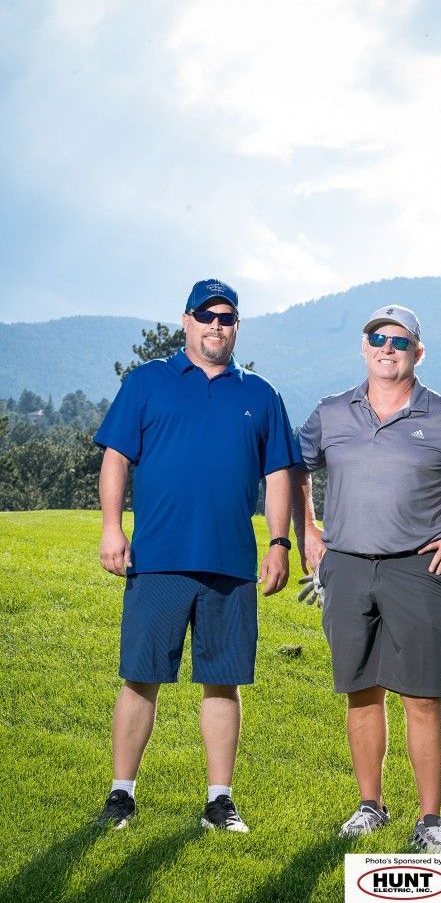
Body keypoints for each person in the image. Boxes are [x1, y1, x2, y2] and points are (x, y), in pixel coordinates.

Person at [292, 304, 441, 852]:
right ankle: (370, 806)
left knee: (422, 696)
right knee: (361, 693)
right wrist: (309, 530)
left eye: (400, 341)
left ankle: (431, 821)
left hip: (416, 570)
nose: (387, 348)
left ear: (418, 352)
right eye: (378, 338)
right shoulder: (330, 412)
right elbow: (295, 467)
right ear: (364, 346)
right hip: (345, 567)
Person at [94, 279, 299, 831]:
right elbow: (116, 458)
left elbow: (279, 472)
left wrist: (279, 543)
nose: (216, 325)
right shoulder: (146, 382)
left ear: (236, 327)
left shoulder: (261, 394)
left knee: (223, 681)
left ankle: (219, 801)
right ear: (186, 321)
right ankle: (121, 795)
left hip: (231, 563)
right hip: (157, 557)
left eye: (227, 318)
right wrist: (112, 528)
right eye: (206, 316)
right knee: (141, 677)